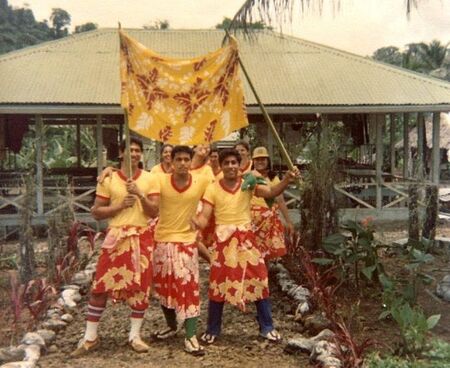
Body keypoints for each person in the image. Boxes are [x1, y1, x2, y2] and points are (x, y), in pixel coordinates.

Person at [192, 148, 299, 344]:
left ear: (239, 165)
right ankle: (213, 329)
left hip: (247, 240)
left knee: (258, 279)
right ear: (221, 166)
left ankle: (267, 327)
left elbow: (272, 192)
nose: (231, 166)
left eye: (234, 162)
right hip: (224, 242)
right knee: (218, 284)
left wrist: (286, 179)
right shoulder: (213, 188)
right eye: (227, 163)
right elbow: (205, 216)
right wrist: (195, 223)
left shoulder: (248, 184)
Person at [72, 137, 154, 357]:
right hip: (116, 237)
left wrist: (139, 194)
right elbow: (96, 211)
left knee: (139, 288)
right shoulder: (108, 178)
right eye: (131, 150)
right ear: (121, 152)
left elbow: (154, 211)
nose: (135, 154)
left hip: (140, 237)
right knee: (100, 286)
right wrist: (118, 206)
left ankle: (135, 336)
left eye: (138, 150)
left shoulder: (148, 179)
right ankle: (90, 337)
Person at [146, 145, 210, 356]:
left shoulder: (201, 181)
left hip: (186, 243)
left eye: (186, 159)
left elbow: (225, 183)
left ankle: (191, 336)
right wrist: (109, 171)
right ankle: (172, 326)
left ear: (191, 162)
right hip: (162, 242)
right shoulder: (158, 179)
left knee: (189, 288)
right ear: (171, 162)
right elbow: (134, 178)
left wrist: (251, 180)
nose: (182, 163)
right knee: (164, 290)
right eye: (178, 159)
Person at [251, 146, 294, 260]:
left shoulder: (273, 178)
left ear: (268, 161)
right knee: (252, 252)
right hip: (252, 220)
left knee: (267, 253)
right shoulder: (249, 177)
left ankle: (266, 276)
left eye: (263, 159)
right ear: (253, 161)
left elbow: (280, 200)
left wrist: (288, 221)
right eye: (257, 159)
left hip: (268, 221)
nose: (260, 162)